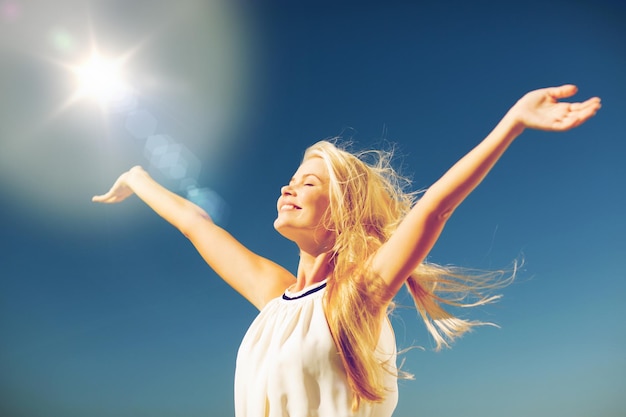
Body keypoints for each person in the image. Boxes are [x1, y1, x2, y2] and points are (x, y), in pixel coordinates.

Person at [93, 84, 600, 417]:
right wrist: (137, 179)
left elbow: (434, 209)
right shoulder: (274, 297)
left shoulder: (358, 294)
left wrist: (511, 123)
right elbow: (195, 224)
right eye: (289, 180)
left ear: (339, 211)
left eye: (308, 183)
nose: (288, 189)